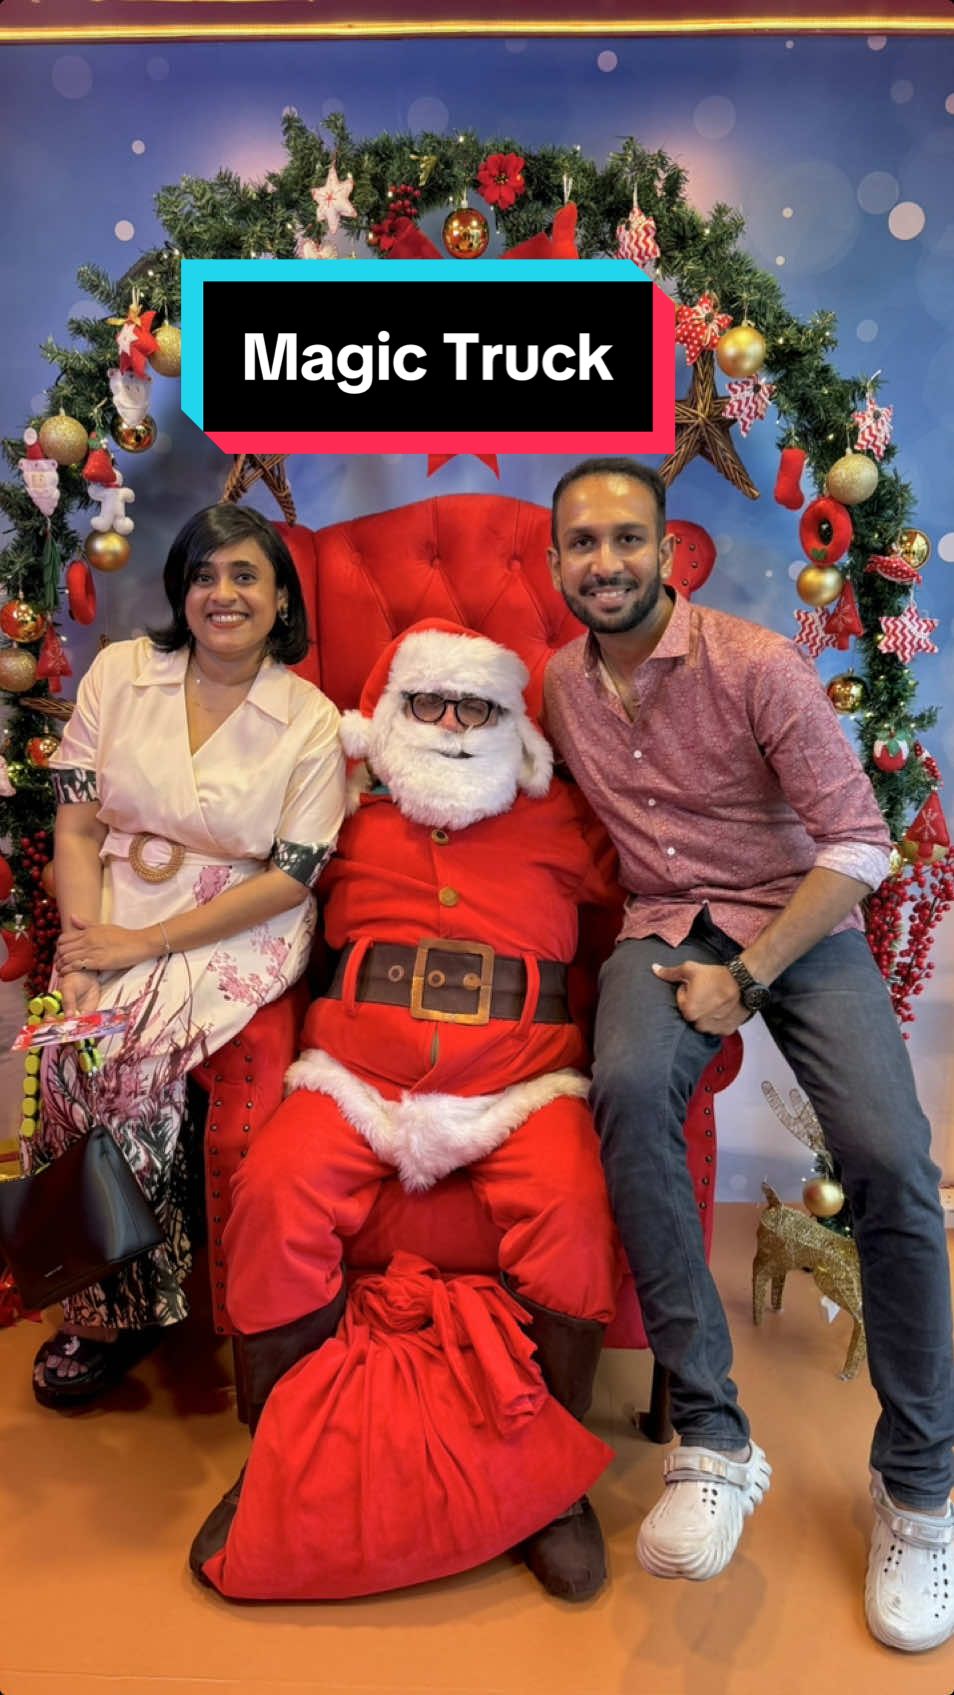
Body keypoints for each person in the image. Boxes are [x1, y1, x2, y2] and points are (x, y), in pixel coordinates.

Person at [543, 456, 954, 1654]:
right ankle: (715, 1436)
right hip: (665, 925)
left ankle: (922, 1488)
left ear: (667, 551)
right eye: (581, 543)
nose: (604, 562)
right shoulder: (559, 687)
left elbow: (861, 846)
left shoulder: (756, 665)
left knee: (891, 1156)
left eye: (626, 539)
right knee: (623, 1088)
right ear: (557, 561)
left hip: (795, 919)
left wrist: (753, 975)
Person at [191, 619, 620, 1601]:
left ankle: (549, 1483)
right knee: (275, 1193)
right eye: (430, 703)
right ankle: (279, 1460)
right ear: (387, 717)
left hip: (520, 1085)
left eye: (476, 707)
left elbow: (655, 881)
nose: (453, 725)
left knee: (573, 1211)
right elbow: (233, 860)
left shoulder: (561, 815)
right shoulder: (335, 807)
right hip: (353, 1079)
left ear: (514, 723)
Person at [30, 503, 346, 1410]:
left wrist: (146, 944)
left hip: (235, 920)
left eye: (245, 575)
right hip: (117, 893)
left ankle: (133, 1307)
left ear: (280, 594)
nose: (223, 594)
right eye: (204, 575)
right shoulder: (122, 674)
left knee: (134, 1063)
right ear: (181, 589)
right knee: (66, 1049)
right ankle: (98, 1294)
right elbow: (80, 823)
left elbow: (291, 878)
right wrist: (87, 946)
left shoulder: (310, 719)